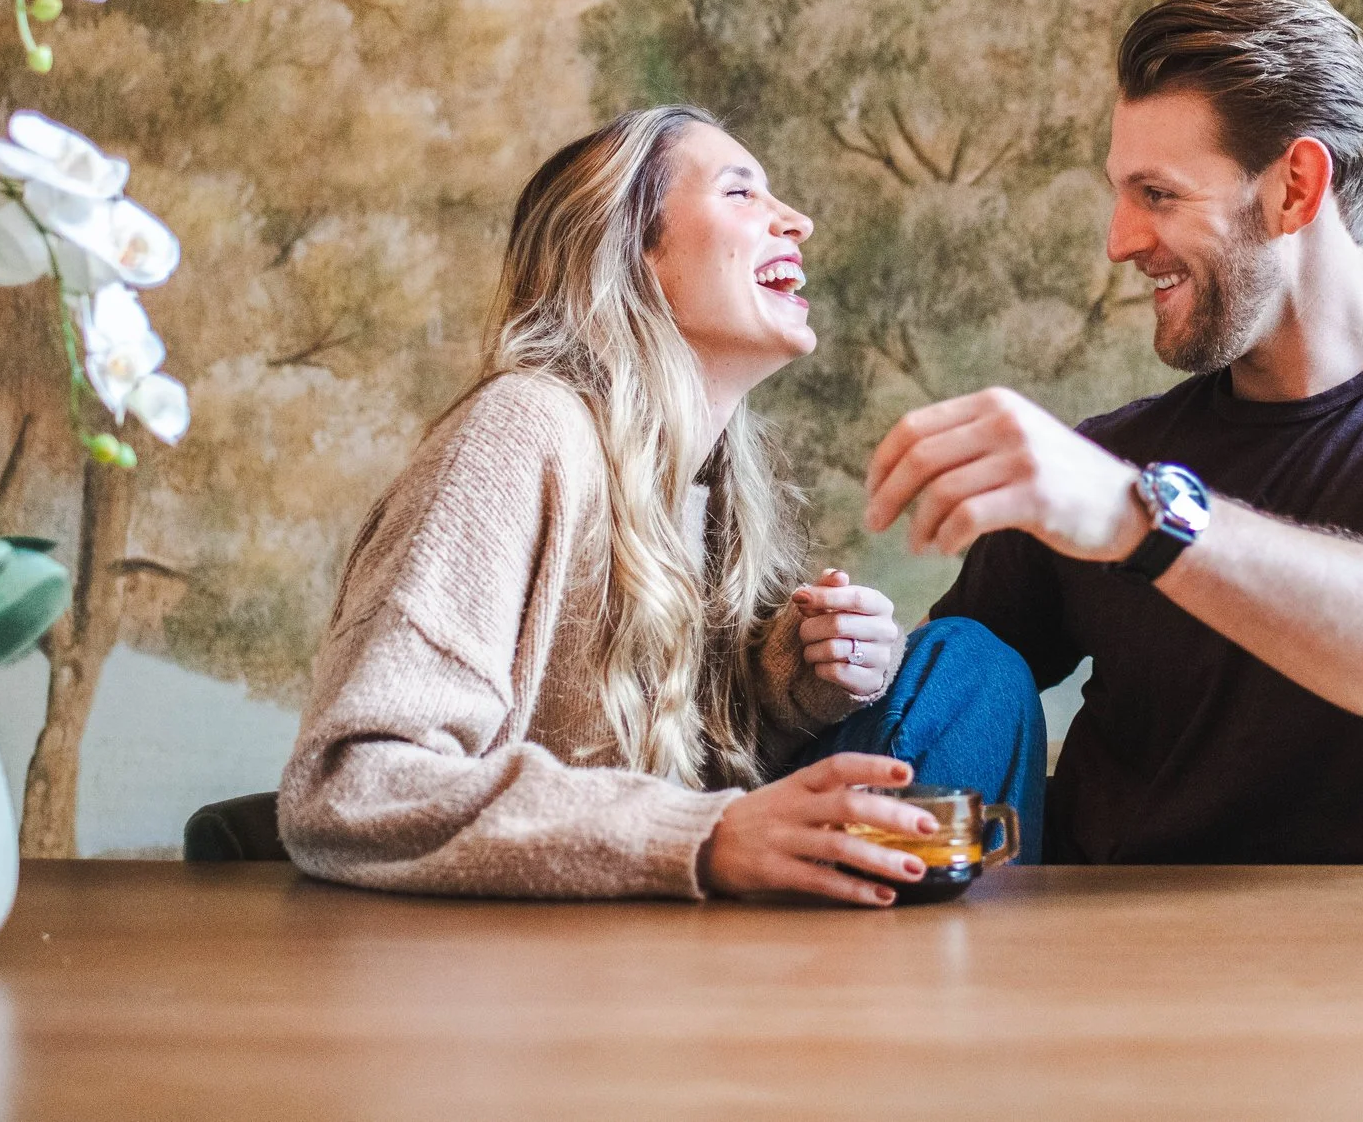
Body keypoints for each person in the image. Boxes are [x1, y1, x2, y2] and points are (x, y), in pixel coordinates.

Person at [866, 0, 1363, 865]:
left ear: (1296, 187)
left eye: (1158, 193)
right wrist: (834, 664)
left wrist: (1142, 518)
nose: (1119, 240)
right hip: (1126, 955)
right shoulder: (1107, 463)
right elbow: (941, 703)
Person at [281, 106, 1045, 905]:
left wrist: (797, 679)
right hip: (544, 954)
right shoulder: (521, 427)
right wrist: (702, 836)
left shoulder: (713, 484)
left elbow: (666, 762)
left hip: (671, 932)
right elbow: (350, 783)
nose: (798, 220)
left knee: (972, 672)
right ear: (630, 254)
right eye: (740, 192)